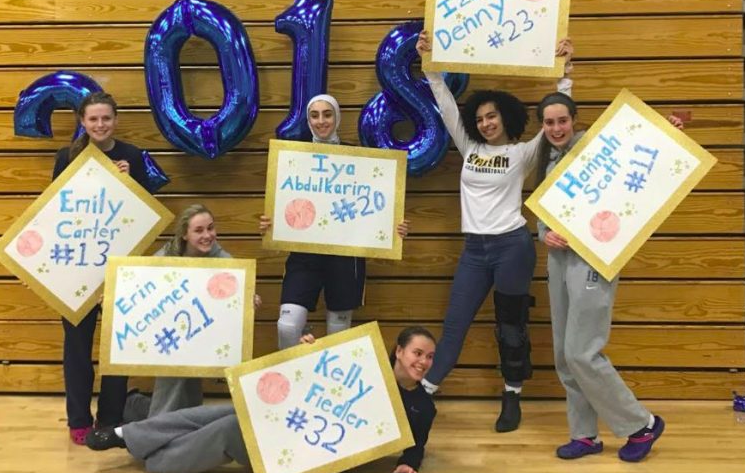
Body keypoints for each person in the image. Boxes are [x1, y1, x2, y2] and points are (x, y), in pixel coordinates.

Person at [414, 30, 572, 433]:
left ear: (505, 117)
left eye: (492, 117)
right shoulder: (470, 149)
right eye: (480, 118)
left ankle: (512, 394)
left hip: (512, 247)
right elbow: (446, 106)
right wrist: (430, 63)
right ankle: (423, 394)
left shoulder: (521, 153)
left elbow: (554, 127)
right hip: (475, 250)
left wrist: (565, 73)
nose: (485, 123)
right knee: (455, 323)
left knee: (511, 326)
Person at [86, 326, 438, 473]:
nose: (422, 362)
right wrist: (307, 351)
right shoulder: (364, 363)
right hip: (288, 417)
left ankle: (153, 457)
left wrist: (407, 464)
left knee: (230, 428)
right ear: (399, 351)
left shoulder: (424, 406)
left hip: (313, 457)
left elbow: (415, 445)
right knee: (229, 409)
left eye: (429, 357)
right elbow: (310, 376)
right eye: (417, 353)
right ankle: (126, 434)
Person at [535, 92, 680, 462]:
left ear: (574, 120)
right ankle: (584, 435)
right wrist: (544, 234)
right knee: (565, 356)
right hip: (559, 261)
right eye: (549, 123)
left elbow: (640, 152)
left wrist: (667, 134)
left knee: (582, 352)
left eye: (562, 121)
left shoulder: (596, 149)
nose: (556, 128)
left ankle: (641, 424)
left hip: (593, 257)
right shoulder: (548, 161)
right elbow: (544, 214)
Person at [259, 94, 409, 350]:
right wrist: (271, 223)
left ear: (337, 117)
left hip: (345, 255)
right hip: (305, 252)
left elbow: (376, 204)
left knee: (338, 333)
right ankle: (293, 378)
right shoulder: (294, 158)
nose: (320, 121)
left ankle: (331, 388)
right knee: (287, 325)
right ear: (307, 120)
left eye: (327, 114)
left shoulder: (359, 157)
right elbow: (285, 202)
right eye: (314, 115)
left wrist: (393, 227)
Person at [53, 91, 155, 445]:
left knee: (116, 348)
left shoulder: (132, 156)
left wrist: (130, 182)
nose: (100, 125)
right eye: (93, 119)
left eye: (106, 118)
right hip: (77, 269)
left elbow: (145, 216)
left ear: (116, 120)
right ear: (82, 122)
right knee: (77, 349)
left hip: (120, 269)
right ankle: (78, 419)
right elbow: (54, 212)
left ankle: (110, 419)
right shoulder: (67, 157)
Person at [123, 204, 263, 423]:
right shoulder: (167, 254)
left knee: (189, 388)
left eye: (210, 228)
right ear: (185, 235)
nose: (207, 235)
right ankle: (150, 433)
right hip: (167, 335)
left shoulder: (220, 257)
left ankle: (148, 412)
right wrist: (115, 298)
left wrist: (248, 298)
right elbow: (139, 285)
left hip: (198, 336)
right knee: (172, 380)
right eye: (199, 230)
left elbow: (240, 284)